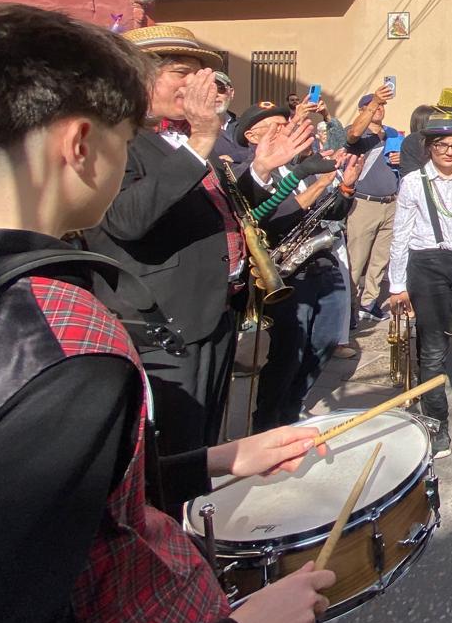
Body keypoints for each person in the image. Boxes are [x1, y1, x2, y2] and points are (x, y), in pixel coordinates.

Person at [0, 4, 337, 623]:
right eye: (125, 141)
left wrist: (218, 459)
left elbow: (12, 511)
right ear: (81, 143)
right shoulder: (60, 346)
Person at [87, 25, 313, 453]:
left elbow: (215, 207)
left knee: (204, 443)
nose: (197, 85)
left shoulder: (188, 138)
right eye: (182, 73)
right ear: (135, 77)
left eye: (201, 74)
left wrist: (261, 168)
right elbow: (127, 219)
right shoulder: (113, 136)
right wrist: (202, 137)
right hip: (163, 324)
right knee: (171, 453)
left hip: (212, 314)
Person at [238, 104, 360, 432]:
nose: (286, 131)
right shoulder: (247, 173)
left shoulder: (297, 166)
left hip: (321, 263)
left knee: (323, 343)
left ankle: (294, 405)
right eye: (275, 127)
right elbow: (271, 216)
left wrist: (345, 187)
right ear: (251, 136)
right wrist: (318, 182)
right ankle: (266, 423)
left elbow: (329, 213)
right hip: (288, 275)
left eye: (285, 124)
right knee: (287, 353)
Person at [387, 117, 452, 460]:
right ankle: (437, 424)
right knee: (432, 349)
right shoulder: (413, 182)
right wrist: (397, 285)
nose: (449, 152)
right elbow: (401, 234)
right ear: (429, 148)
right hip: (426, 263)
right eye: (442, 146)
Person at [344, 85, 400, 323]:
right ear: (362, 110)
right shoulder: (358, 134)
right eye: (374, 106)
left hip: (391, 202)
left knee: (381, 258)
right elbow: (352, 135)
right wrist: (375, 99)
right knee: (356, 259)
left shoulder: (393, 134)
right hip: (364, 203)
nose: (379, 109)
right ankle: (348, 306)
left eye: (381, 106)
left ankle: (369, 301)